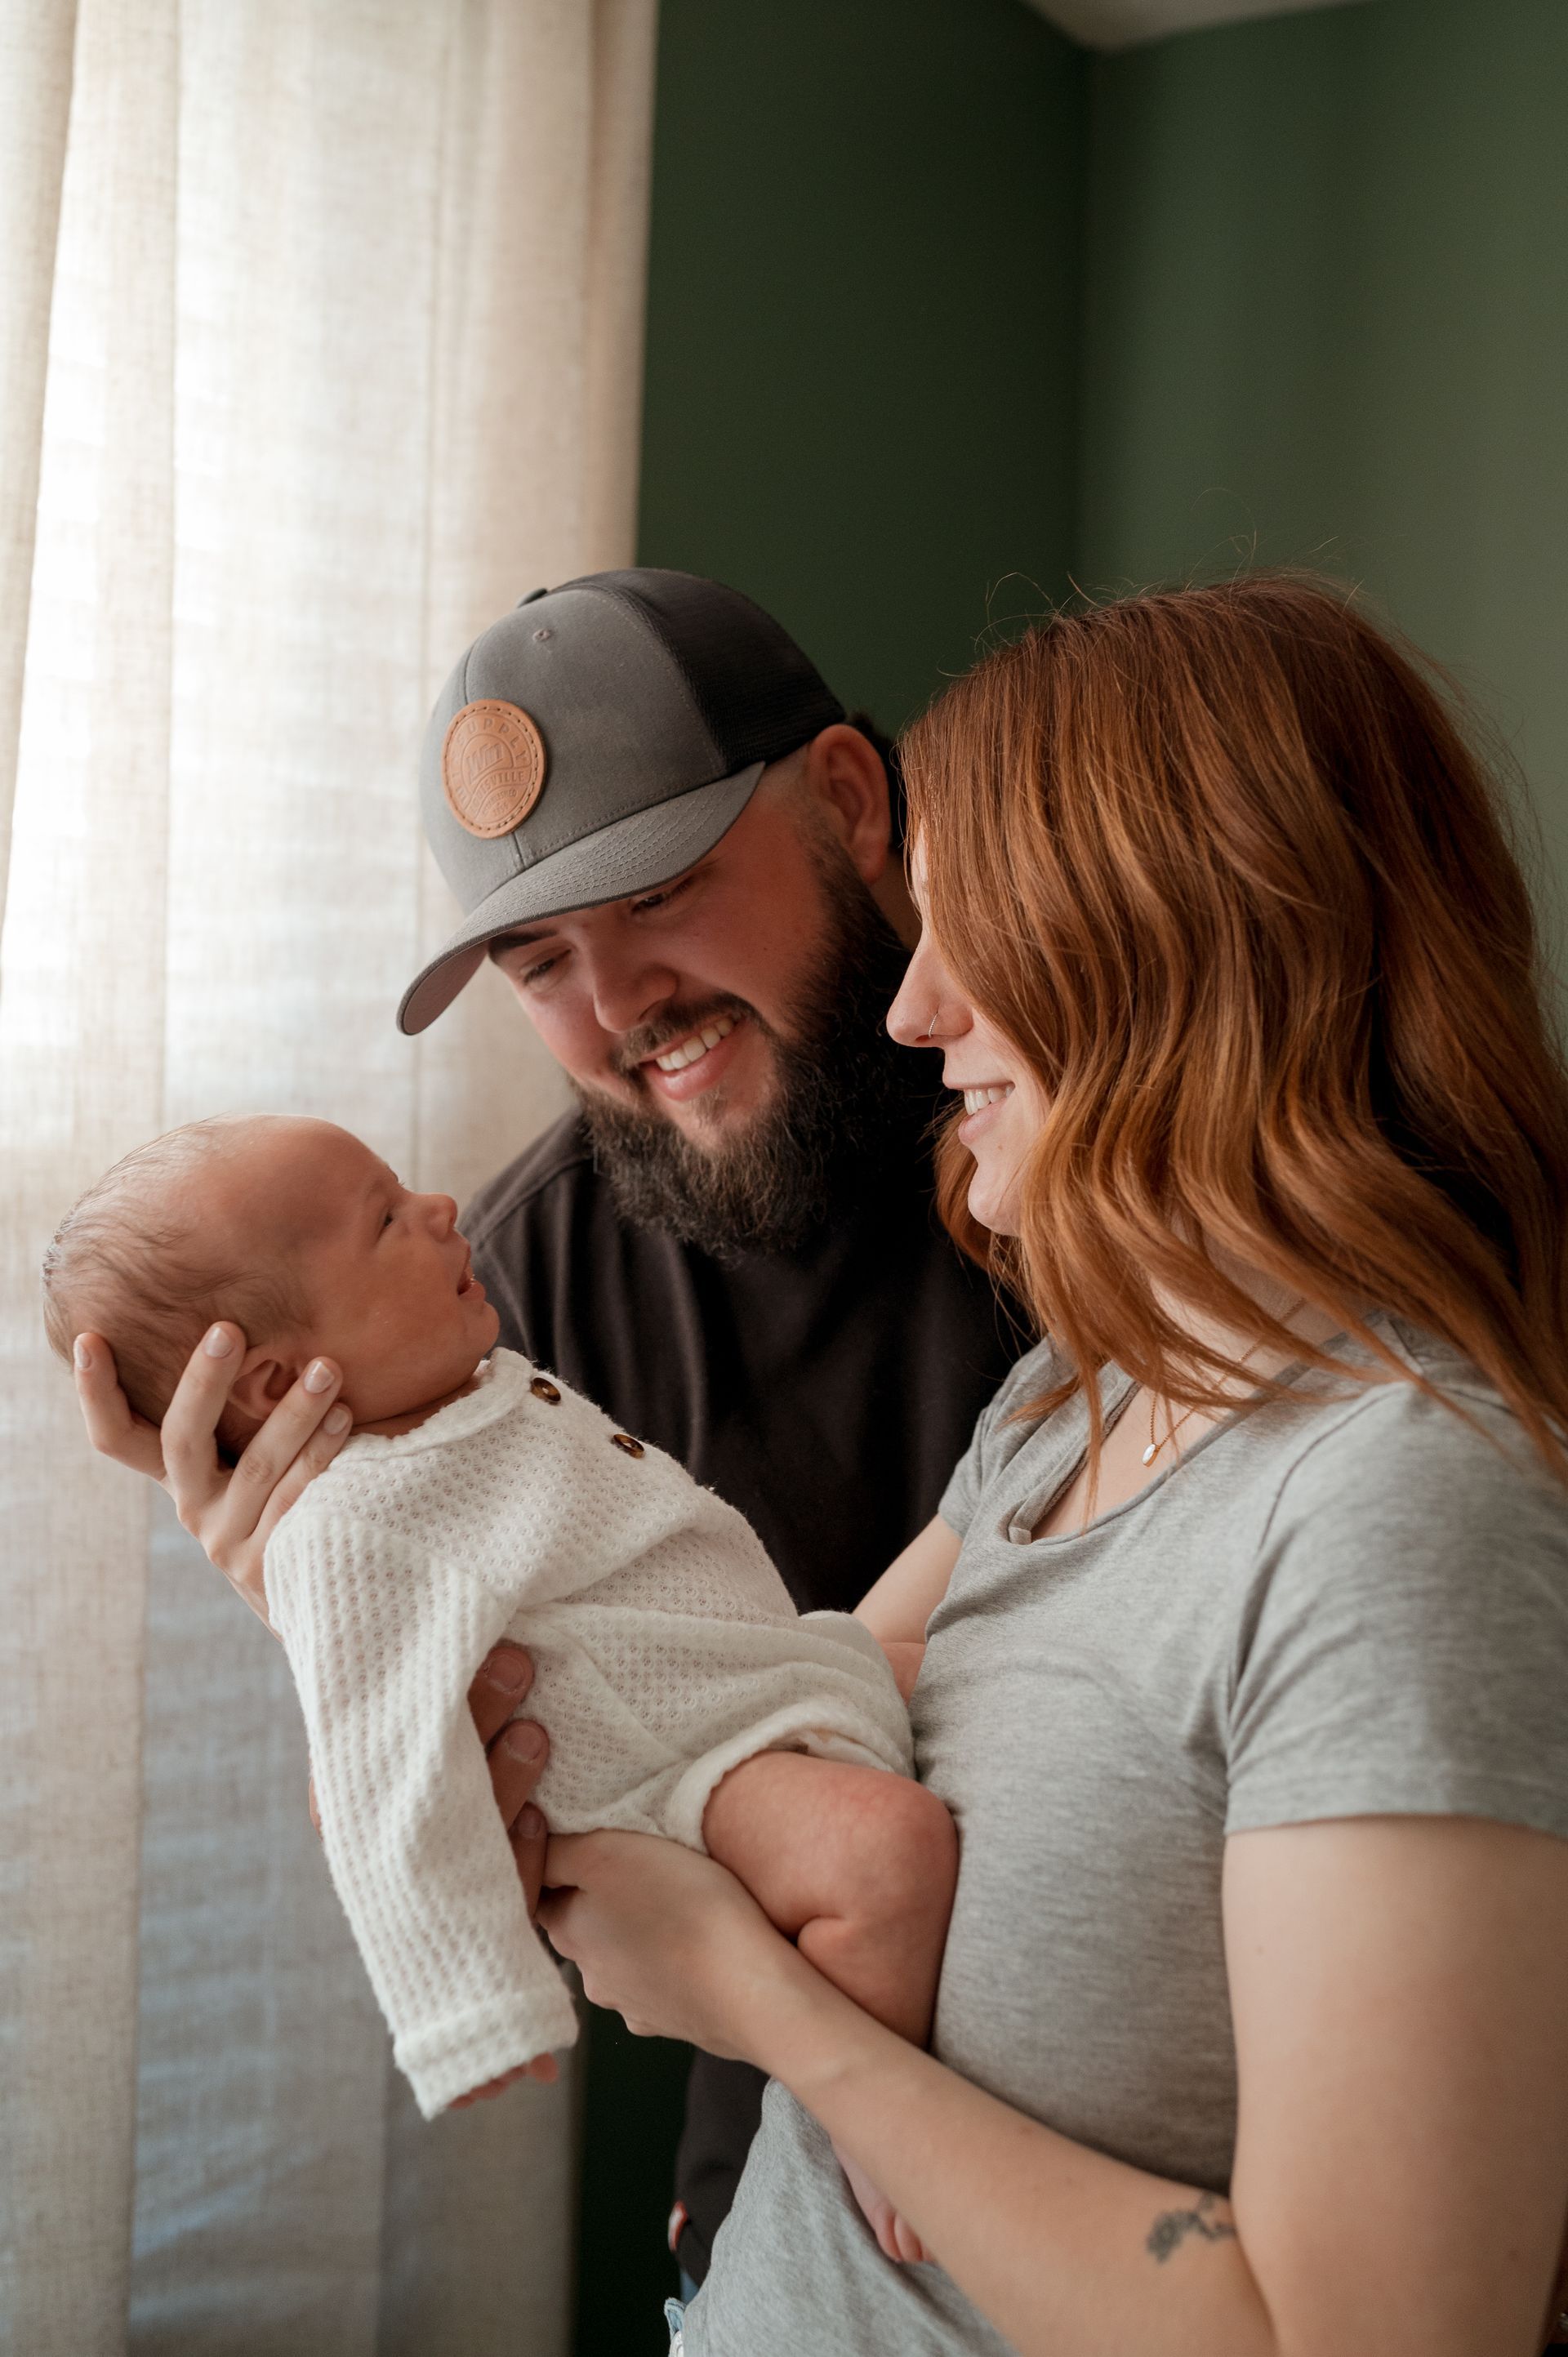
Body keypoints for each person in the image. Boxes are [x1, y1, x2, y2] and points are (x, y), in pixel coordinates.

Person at [528, 577, 1568, 2355]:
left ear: (1180, 947)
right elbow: (774, 1714)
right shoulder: (1076, 1400)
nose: (919, 1012)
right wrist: (353, 1580)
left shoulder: (1400, 1511)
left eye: (970, 937)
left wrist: (778, 2022)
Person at [71, 569, 1016, 2289]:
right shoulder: (494, 1304)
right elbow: (484, 1830)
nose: (617, 1006)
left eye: (657, 895)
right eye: (537, 960)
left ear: (851, 802)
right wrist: (316, 1595)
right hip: (803, 2198)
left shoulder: (1073, 1140)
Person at [44, 1112, 951, 2128]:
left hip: (766, 1680)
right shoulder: (350, 1524)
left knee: (952, 1667)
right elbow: (379, 1774)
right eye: (386, 1219)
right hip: (673, 1772)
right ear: (277, 1382)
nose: (438, 1207)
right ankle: (888, 2150)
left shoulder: (464, 1388)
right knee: (887, 1855)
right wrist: (467, 2005)